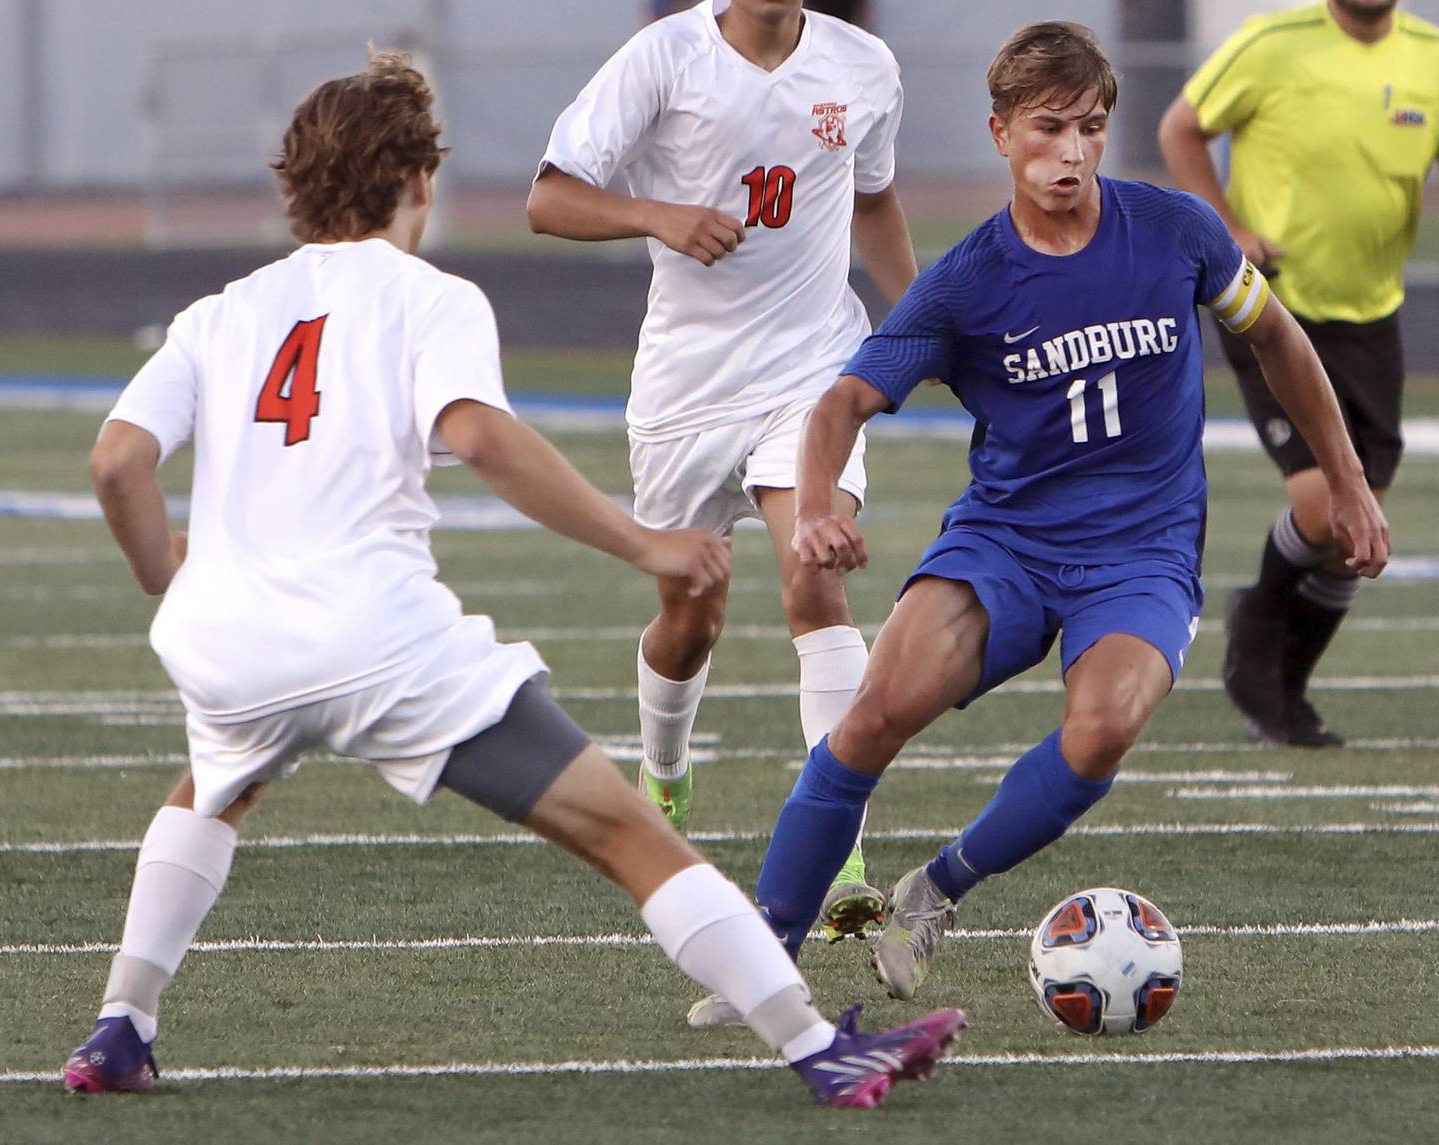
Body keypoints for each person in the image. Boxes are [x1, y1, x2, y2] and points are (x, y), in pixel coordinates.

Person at [59, 50, 964, 1109]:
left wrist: (167, 569)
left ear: (297, 183)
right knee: (627, 829)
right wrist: (645, 544)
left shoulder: (220, 312)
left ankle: (122, 1021)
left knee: (215, 786)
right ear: (419, 182)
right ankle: (818, 1044)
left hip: (225, 643)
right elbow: (481, 436)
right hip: (379, 645)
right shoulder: (429, 298)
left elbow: (116, 461)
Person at [745, 20, 1390, 1003]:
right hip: (1005, 543)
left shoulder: (1177, 228)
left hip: (1142, 551)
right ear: (1001, 132)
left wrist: (1344, 478)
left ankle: (937, 887)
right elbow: (840, 403)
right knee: (871, 716)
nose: (1071, 152)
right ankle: (760, 959)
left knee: (1102, 730)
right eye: (1048, 128)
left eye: (1089, 127)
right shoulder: (965, 282)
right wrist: (817, 506)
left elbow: (1280, 342)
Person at [527, 0, 919, 960]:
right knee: (690, 613)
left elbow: (873, 198)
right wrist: (657, 214)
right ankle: (665, 770)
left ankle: (845, 861)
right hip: (685, 394)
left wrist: (919, 321)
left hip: (813, 375)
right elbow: (548, 197)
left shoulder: (865, 67)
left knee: (813, 579)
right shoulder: (664, 59)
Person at [1158, 0, 1439, 747]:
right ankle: (1255, 624)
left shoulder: (1428, 54)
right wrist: (1227, 229)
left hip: (1371, 311)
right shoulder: (1272, 42)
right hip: (1271, 308)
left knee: (1358, 533)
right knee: (1322, 507)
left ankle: (1285, 694)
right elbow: (1179, 129)